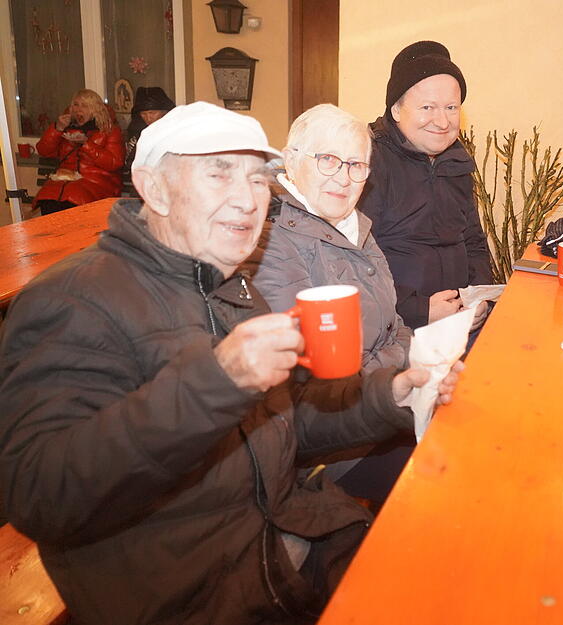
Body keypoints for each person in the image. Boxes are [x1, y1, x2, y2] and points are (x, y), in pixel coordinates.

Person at [0, 101, 462, 624]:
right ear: (153, 188)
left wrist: (390, 396)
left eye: (258, 179)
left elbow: (286, 422)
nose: (247, 200)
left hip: (291, 540)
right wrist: (218, 383)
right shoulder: (73, 301)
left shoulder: (227, 285)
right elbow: (38, 493)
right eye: (219, 174)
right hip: (198, 595)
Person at [244, 103, 411, 374]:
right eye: (328, 160)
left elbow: (394, 321)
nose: (344, 179)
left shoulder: (354, 226)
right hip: (340, 407)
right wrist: (404, 357)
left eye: (356, 164)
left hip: (381, 392)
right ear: (291, 161)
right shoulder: (269, 238)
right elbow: (317, 368)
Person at [359, 40, 493, 331]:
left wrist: (479, 296)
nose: (442, 121)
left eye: (451, 107)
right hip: (396, 329)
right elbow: (355, 260)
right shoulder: (367, 162)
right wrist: (418, 310)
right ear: (396, 110)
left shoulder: (456, 161)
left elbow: (473, 241)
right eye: (428, 107)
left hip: (461, 321)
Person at [34, 88, 125, 215]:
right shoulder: (66, 128)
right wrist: (57, 128)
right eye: (76, 105)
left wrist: (87, 144)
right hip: (65, 180)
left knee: (72, 200)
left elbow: (115, 163)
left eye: (85, 106)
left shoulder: (110, 131)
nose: (78, 109)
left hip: (97, 182)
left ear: (95, 110)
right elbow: (43, 151)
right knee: (48, 198)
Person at [124, 86, 175, 168]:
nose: (148, 118)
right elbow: (130, 160)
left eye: (152, 113)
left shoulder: (175, 128)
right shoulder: (137, 129)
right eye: (143, 114)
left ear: (165, 112)